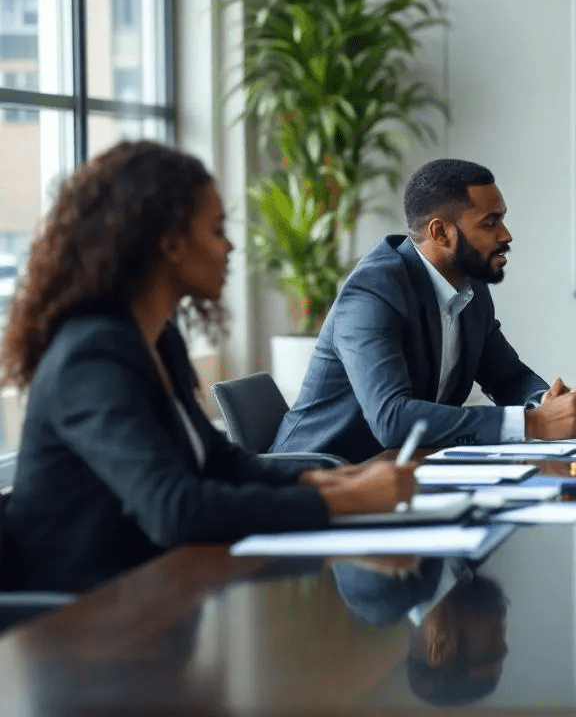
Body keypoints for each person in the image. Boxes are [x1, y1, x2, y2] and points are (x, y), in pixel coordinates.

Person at [0, 141, 415, 594]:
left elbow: (217, 461)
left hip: (157, 596)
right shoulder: (91, 357)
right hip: (81, 618)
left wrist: (319, 479)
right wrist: (343, 501)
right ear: (171, 243)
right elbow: (175, 509)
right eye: (217, 230)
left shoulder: (160, 338)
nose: (230, 246)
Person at [271, 159, 576, 459]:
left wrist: (545, 402)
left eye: (502, 219)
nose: (506, 235)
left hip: (402, 468)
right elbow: (392, 419)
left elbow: (508, 378)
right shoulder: (374, 290)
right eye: (490, 223)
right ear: (441, 232)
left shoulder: (471, 287)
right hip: (321, 474)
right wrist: (532, 423)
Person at [333, 556, 509, 706]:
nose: (503, 642)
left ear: (440, 648)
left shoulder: (380, 597)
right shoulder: (477, 555)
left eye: (490, 651)